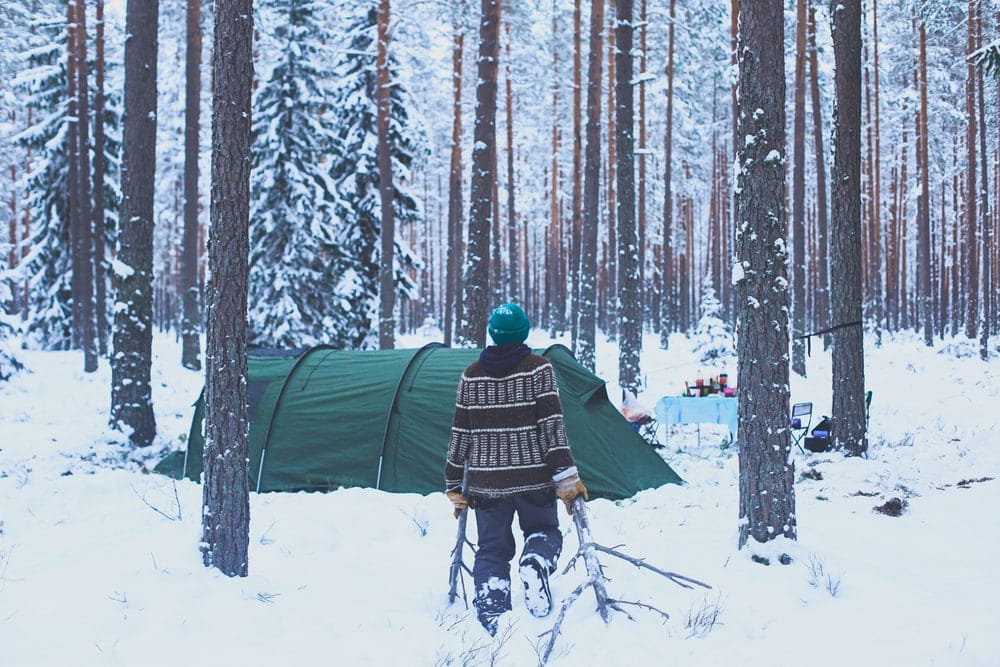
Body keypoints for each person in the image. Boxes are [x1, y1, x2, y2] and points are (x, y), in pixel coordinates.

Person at [444, 303, 588, 635]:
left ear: (492, 334)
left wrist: (453, 483)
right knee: (544, 532)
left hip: (486, 485)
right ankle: (535, 560)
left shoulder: (471, 375)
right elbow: (552, 428)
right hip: (534, 479)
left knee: (492, 547)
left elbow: (460, 435)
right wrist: (567, 479)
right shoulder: (539, 370)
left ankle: (493, 610)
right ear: (524, 332)